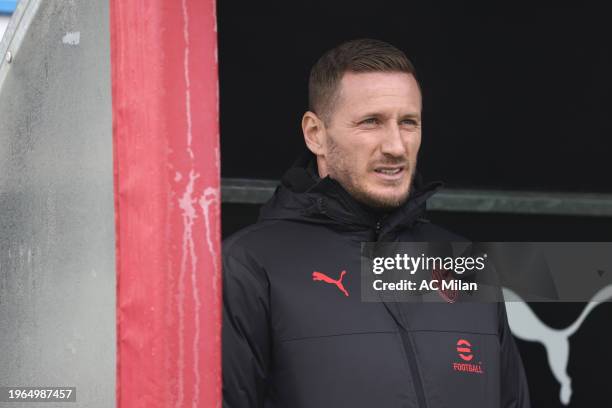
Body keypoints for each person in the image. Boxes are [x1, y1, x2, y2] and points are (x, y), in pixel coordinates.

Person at [222, 38, 530, 407]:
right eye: (371, 122)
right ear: (315, 134)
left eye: (408, 123)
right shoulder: (250, 265)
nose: (396, 146)